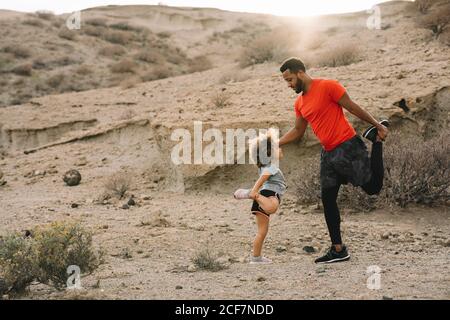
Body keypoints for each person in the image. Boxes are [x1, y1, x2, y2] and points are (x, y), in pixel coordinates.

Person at [278, 57, 389, 264]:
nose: (289, 85)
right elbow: (297, 131)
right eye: (286, 81)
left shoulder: (328, 86)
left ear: (300, 73)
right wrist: (277, 142)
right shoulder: (300, 102)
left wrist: (377, 125)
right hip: (328, 155)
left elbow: (352, 107)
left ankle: (376, 140)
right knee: (328, 200)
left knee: (373, 188)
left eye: (290, 79)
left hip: (348, 147)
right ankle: (338, 250)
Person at [234, 130, 287, 264]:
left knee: (262, 232)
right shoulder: (272, 165)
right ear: (269, 153)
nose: (280, 149)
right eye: (277, 147)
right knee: (272, 208)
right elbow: (264, 177)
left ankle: (256, 258)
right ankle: (252, 194)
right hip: (267, 195)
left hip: (262, 196)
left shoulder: (264, 166)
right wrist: (255, 191)